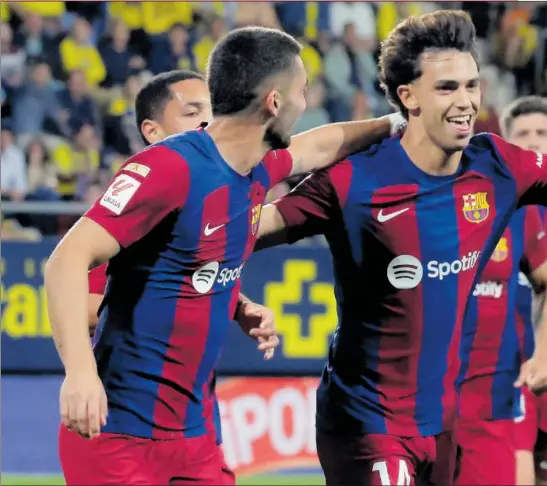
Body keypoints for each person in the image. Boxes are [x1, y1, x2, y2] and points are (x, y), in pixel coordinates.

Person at [45, 27, 402, 485]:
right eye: (302, 92)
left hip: (197, 440)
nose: (305, 103)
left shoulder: (256, 168)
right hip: (119, 434)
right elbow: (65, 262)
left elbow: (319, 145)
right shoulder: (170, 167)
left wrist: (396, 124)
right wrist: (78, 374)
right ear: (274, 101)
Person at [253, 11, 547, 485]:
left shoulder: (498, 166)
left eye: (471, 85)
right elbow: (246, 226)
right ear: (407, 96)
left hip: (442, 424)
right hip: (365, 422)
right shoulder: (355, 178)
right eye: (446, 88)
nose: (465, 102)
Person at [86, 69, 273, 486]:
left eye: (213, 110)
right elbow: (88, 307)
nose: (209, 122)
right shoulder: (132, 206)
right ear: (152, 131)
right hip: (130, 420)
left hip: (198, 425)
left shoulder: (223, 192)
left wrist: (238, 305)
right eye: (193, 113)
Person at [455, 197, 547, 484]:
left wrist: (543, 357)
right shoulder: (418, 200)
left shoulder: (516, 207)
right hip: (419, 403)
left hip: (492, 398)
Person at [505, 96, 547, 486]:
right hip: (507, 370)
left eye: (541, 133)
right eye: (522, 134)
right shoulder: (489, 206)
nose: (532, 142)